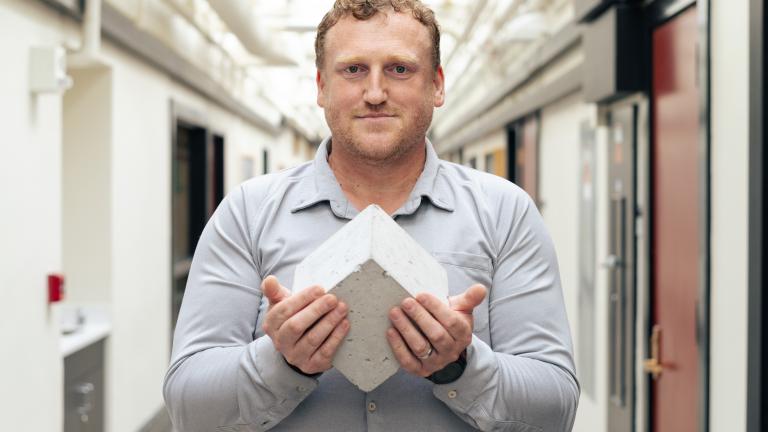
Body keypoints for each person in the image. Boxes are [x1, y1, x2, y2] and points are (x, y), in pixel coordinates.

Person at [163, 0, 579, 430]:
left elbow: (555, 408)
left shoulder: (505, 213)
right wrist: (282, 362)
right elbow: (188, 407)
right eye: (353, 70)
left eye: (399, 69)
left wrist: (460, 367)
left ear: (437, 85)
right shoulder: (247, 214)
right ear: (322, 87)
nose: (376, 93)